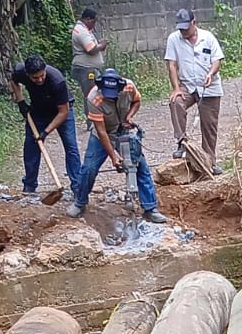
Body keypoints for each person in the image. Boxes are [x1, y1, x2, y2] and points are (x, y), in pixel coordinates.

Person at [68, 68, 171, 224]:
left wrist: (129, 116)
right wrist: (113, 156)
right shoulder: (93, 98)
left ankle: (150, 208)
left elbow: (137, 101)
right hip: (103, 135)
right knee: (89, 168)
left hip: (123, 131)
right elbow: (101, 131)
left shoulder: (129, 87)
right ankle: (80, 203)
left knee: (140, 167)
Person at [10, 54, 82, 196]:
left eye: (42, 75)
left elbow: (64, 112)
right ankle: (29, 186)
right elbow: (13, 81)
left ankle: (78, 186)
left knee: (71, 146)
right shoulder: (20, 72)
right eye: (35, 78)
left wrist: (46, 132)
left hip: (61, 110)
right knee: (31, 147)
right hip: (38, 112)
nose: (40, 79)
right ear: (28, 74)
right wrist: (21, 101)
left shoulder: (57, 80)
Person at [164, 8, 225, 173]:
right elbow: (172, 65)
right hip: (187, 85)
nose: (183, 31)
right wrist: (176, 88)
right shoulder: (174, 39)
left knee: (209, 125)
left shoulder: (208, 38)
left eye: (186, 27)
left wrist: (211, 74)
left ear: (194, 23)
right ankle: (182, 142)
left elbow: (217, 60)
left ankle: (209, 162)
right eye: (181, 28)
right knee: (176, 102)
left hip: (208, 86)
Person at [71, 7, 109, 101]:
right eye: (93, 22)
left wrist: (99, 45)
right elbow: (91, 49)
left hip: (89, 68)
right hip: (86, 69)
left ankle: (94, 114)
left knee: (95, 95)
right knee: (91, 96)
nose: (94, 25)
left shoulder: (83, 29)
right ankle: (91, 115)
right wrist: (101, 45)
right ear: (87, 19)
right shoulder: (81, 31)